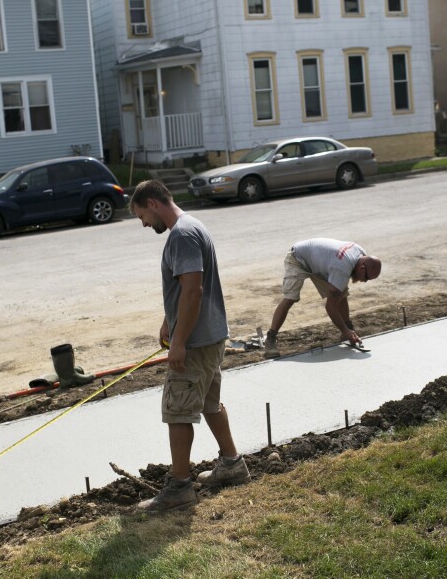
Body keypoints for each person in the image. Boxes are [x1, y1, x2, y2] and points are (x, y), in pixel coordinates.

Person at [129, 179, 249, 512]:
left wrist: (179, 342)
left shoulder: (181, 235)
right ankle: (232, 463)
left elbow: (194, 291)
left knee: (178, 410)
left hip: (196, 342)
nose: (143, 224)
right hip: (210, 335)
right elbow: (187, 288)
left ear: (153, 203)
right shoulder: (192, 225)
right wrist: (170, 321)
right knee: (210, 403)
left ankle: (180, 487)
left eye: (141, 216)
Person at [264, 238, 381, 358]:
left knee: (341, 293)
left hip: (320, 263)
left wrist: (347, 330)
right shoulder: (342, 267)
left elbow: (338, 293)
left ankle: (348, 330)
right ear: (362, 268)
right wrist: (345, 330)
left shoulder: (360, 253)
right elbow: (330, 307)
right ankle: (271, 338)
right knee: (290, 298)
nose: (364, 281)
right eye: (366, 278)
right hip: (298, 259)